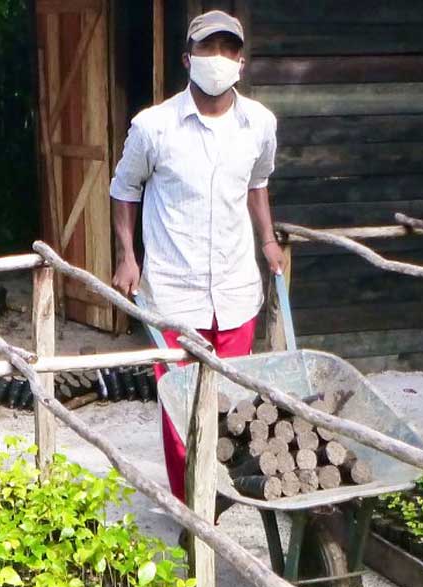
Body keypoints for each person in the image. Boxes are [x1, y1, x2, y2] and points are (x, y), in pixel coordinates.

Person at [108, 10, 284, 501]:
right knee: (180, 404)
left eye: (228, 50)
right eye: (208, 50)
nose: (218, 60)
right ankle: (191, 505)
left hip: (234, 290)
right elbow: (124, 189)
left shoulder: (259, 125)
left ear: (242, 63)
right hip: (172, 291)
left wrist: (268, 240)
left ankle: (220, 494)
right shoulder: (154, 127)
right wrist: (128, 256)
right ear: (187, 59)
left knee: (230, 401)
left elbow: (257, 183)